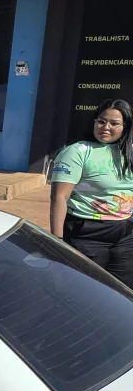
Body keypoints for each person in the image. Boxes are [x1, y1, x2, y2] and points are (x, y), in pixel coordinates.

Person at [49, 99, 133, 287]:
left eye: (114, 123)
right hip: (87, 234)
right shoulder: (77, 151)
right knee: (86, 288)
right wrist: (57, 240)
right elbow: (59, 197)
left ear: (125, 127)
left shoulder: (129, 152)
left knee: (124, 290)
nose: (106, 127)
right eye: (101, 121)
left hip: (125, 234)